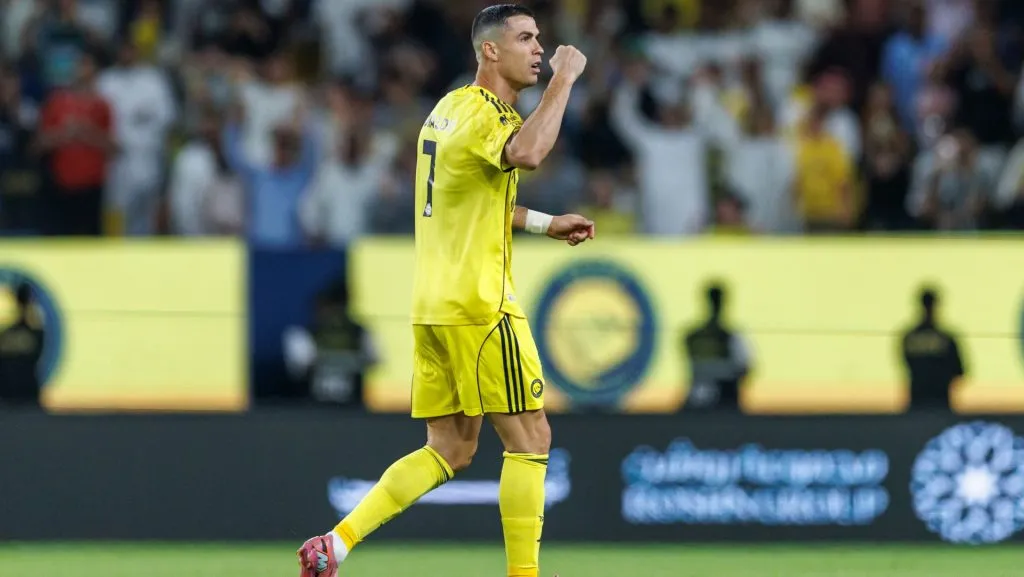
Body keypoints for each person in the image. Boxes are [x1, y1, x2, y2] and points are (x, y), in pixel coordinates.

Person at [296, 5, 592, 577]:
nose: (539, 48)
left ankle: (336, 543)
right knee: (531, 437)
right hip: (481, 305)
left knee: (450, 449)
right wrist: (564, 79)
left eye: (541, 40)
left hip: (433, 308)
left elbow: (475, 200)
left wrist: (543, 223)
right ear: (490, 51)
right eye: (526, 38)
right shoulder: (487, 115)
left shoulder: (447, 110)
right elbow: (528, 154)